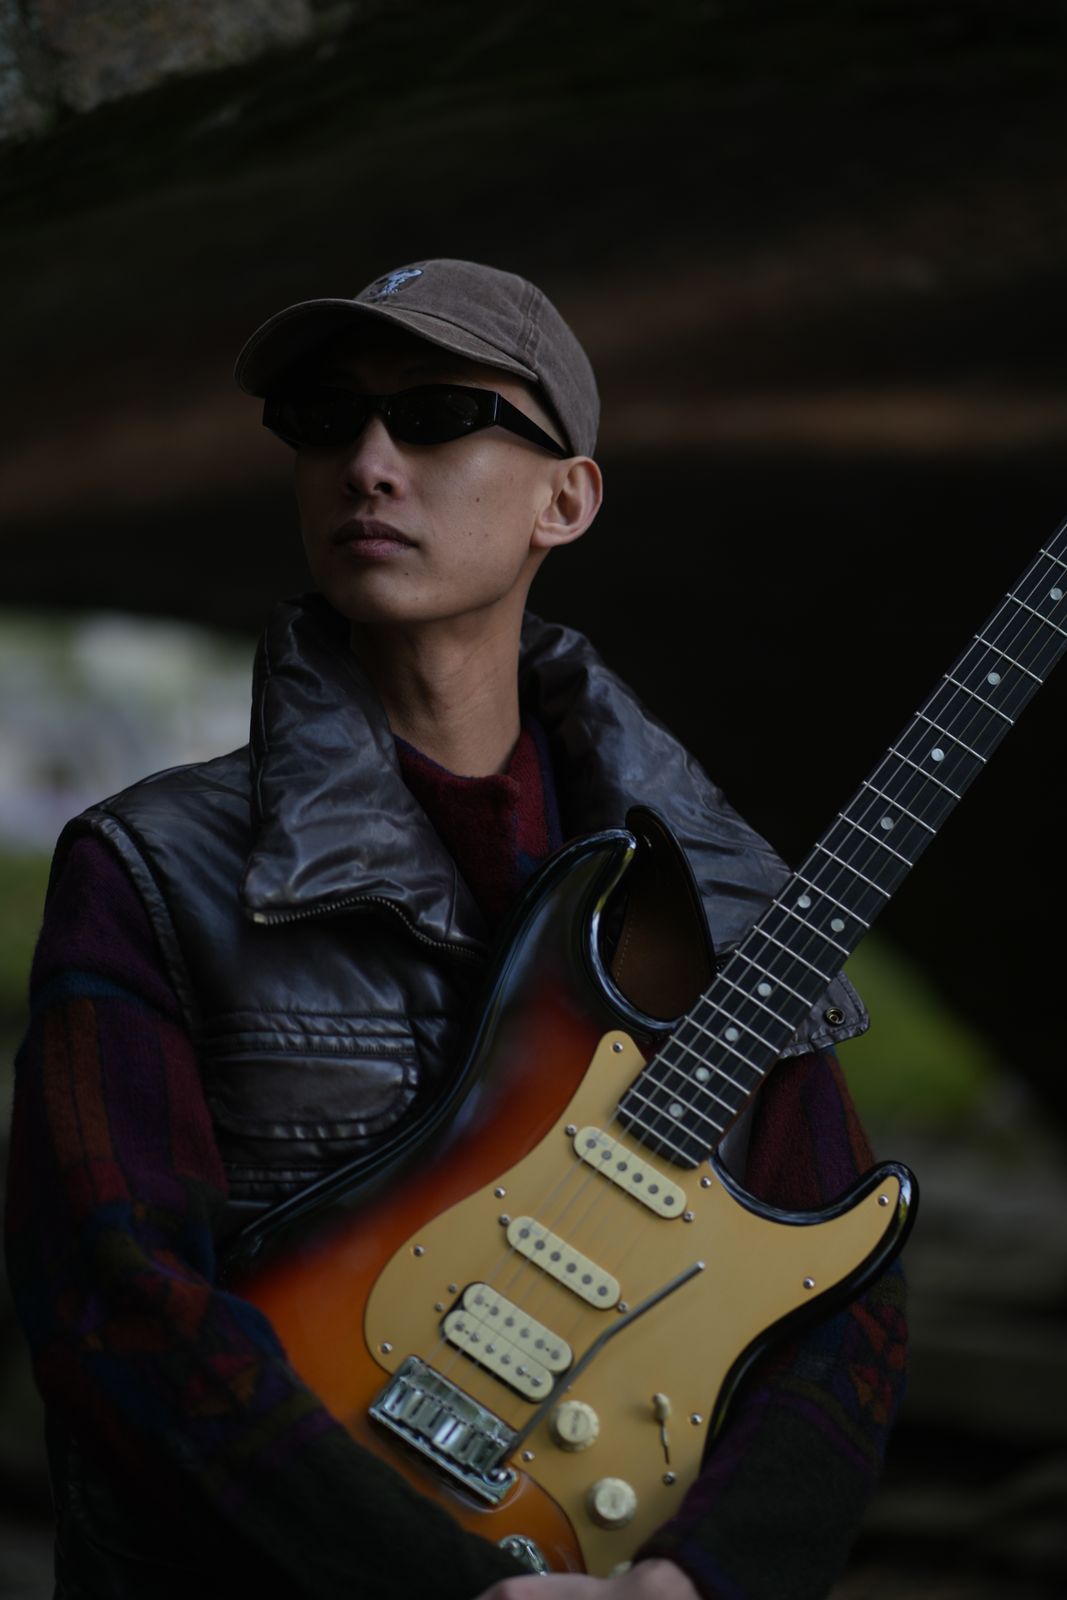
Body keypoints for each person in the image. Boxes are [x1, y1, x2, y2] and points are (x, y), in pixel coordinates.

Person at [5, 259, 906, 1600]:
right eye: (326, 419)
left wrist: (703, 1578)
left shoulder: (713, 897)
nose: (368, 463)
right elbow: (112, 1301)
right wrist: (448, 1583)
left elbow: (844, 1307)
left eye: (435, 416)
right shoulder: (149, 869)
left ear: (566, 499)